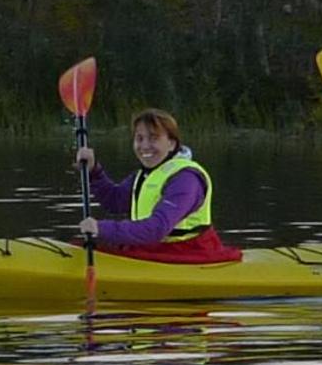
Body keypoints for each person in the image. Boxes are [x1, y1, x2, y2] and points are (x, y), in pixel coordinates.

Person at [75, 107, 242, 263]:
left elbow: (157, 228)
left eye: (153, 138)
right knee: (80, 245)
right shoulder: (146, 174)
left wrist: (101, 228)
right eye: (139, 139)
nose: (144, 146)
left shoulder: (186, 179)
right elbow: (115, 201)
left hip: (188, 254)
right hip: (153, 250)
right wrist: (93, 171)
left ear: (171, 143)